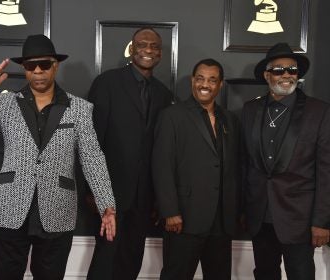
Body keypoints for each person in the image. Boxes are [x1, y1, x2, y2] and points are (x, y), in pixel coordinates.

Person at [0, 34, 116, 280]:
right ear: (24, 69)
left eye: (44, 64)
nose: (38, 70)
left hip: (57, 209)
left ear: (55, 65)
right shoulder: (5, 104)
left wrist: (107, 205)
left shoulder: (79, 108)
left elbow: (93, 158)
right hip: (11, 205)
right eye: (30, 65)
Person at [87, 27, 173, 280]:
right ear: (132, 48)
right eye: (142, 44)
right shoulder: (107, 83)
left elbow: (160, 149)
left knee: (131, 259)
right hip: (109, 194)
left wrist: (159, 197)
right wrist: (93, 190)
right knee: (105, 260)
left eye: (154, 46)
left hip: (144, 198)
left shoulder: (163, 94)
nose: (148, 50)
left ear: (160, 53)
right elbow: (92, 140)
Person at [242, 42, 330, 280]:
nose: (287, 75)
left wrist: (322, 222)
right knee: (264, 274)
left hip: (299, 220)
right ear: (267, 74)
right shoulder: (250, 110)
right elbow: (245, 165)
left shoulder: (319, 112)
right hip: (260, 217)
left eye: (292, 70)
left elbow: (326, 171)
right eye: (279, 70)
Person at [152, 58, 241, 280]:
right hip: (184, 218)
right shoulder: (172, 116)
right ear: (193, 81)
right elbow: (161, 166)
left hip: (222, 221)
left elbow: (235, 167)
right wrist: (170, 211)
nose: (205, 84)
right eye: (200, 78)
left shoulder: (229, 119)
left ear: (220, 85)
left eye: (212, 80)